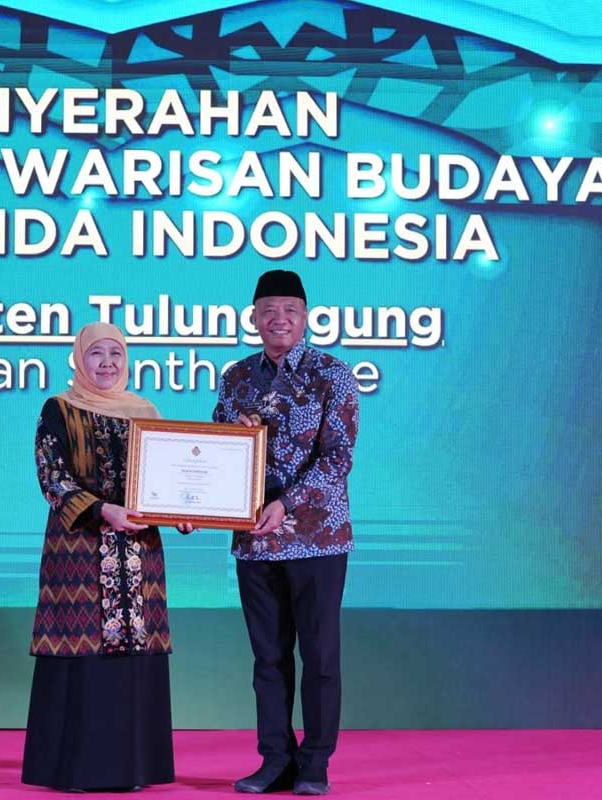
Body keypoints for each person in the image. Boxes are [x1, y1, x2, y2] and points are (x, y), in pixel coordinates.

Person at [22, 322, 190, 792]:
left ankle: (134, 769)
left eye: (116, 353)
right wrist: (102, 510)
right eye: (97, 353)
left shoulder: (145, 412)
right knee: (82, 653)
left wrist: (183, 509)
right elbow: (52, 478)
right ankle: (75, 770)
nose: (107, 363)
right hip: (79, 552)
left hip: (139, 554)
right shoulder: (59, 409)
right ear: (80, 358)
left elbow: (168, 479)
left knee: (134, 654)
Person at [214, 270, 359, 796]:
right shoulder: (236, 377)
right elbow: (218, 450)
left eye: (290, 310)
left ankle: (315, 763)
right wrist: (197, 506)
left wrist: (286, 503)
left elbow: (337, 458)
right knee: (268, 658)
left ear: (306, 317)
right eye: (269, 310)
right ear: (254, 317)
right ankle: (275, 759)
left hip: (317, 538)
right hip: (254, 539)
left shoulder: (332, 374)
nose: (279, 319)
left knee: (319, 656)